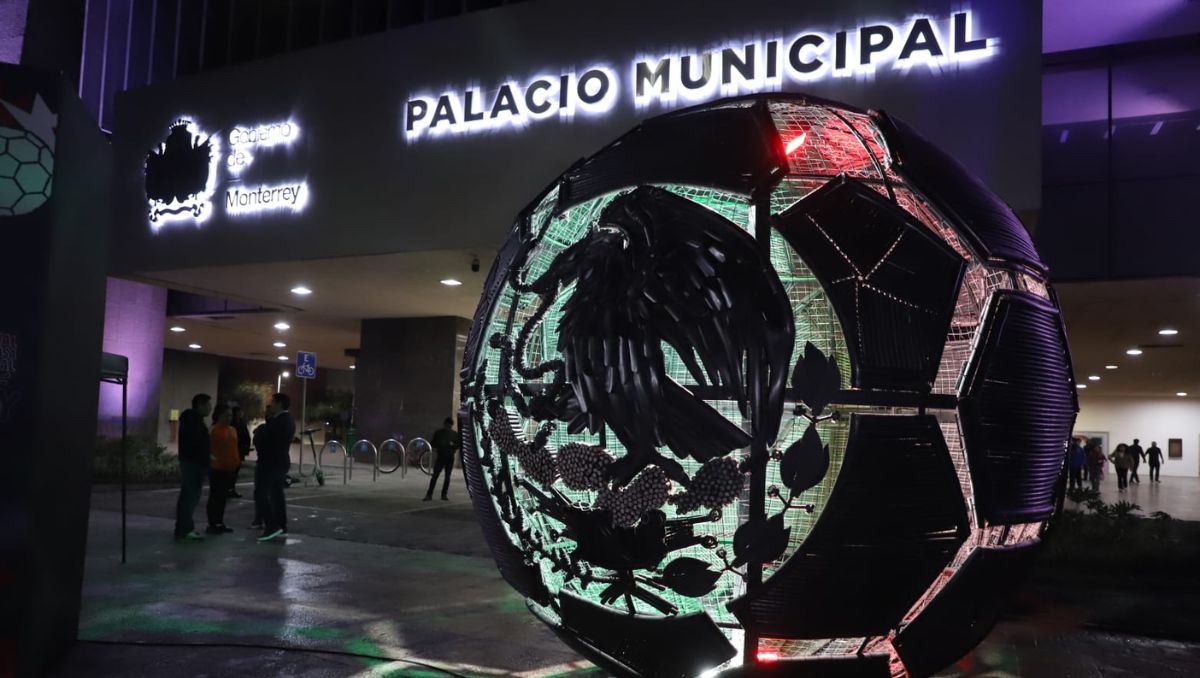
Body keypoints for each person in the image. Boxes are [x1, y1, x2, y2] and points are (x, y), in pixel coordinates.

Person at [254, 393, 295, 542]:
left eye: (272, 402)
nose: (270, 405)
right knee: (277, 494)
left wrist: (260, 433)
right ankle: (280, 525)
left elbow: (268, 439)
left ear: (279, 403)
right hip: (278, 462)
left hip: (271, 463)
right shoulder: (284, 420)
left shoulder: (281, 421)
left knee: (261, 493)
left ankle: (272, 526)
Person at [174, 393, 212, 540]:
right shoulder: (193, 422)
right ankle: (185, 528)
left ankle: (183, 527)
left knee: (188, 496)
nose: (210, 408)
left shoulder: (192, 420)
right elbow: (197, 444)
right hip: (194, 463)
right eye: (208, 405)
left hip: (191, 462)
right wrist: (206, 457)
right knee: (190, 496)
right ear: (200, 406)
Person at [206, 405, 239, 534]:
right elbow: (206, 447)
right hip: (217, 468)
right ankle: (213, 523)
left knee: (223, 497)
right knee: (215, 496)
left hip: (230, 467)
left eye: (230, 415)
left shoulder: (232, 430)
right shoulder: (213, 430)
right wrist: (213, 459)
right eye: (226, 415)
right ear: (219, 415)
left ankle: (219, 522)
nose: (229, 418)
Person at [424, 417, 460, 501]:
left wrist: (440, 447)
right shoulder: (453, 434)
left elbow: (433, 443)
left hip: (443, 456)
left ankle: (430, 495)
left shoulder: (440, 433)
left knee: (437, 476)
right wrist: (451, 446)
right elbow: (458, 445)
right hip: (447, 457)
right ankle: (442, 495)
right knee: (444, 477)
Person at [229, 406, 251, 498]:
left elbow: (246, 435)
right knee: (231, 471)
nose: (241, 414)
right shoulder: (233, 424)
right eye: (239, 412)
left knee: (235, 471)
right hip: (233, 450)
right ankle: (229, 488)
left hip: (240, 450)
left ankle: (231, 488)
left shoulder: (241, 423)